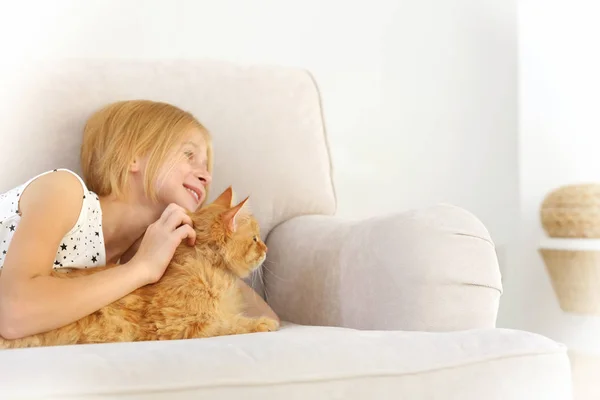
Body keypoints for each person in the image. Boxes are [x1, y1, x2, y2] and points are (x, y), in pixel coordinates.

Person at [0, 99, 278, 340]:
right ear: (132, 157)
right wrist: (140, 269)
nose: (206, 176)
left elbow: (266, 319)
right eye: (189, 154)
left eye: (207, 166)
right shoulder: (64, 191)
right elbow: (13, 313)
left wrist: (216, 254)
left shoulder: (149, 252)